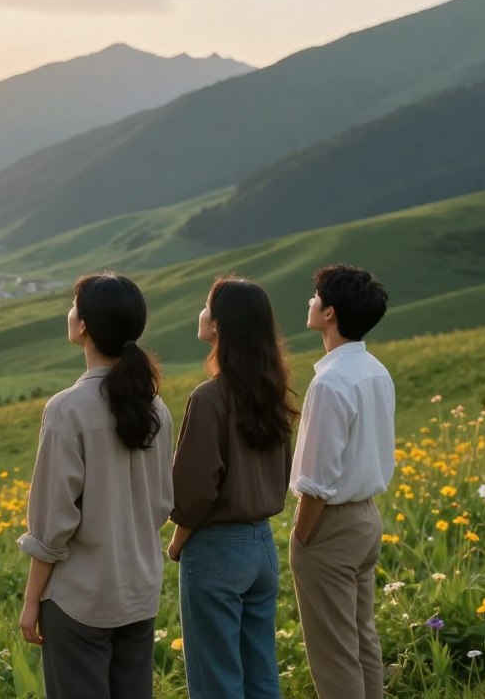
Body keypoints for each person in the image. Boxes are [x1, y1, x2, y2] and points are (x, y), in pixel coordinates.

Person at [17, 272, 175, 699]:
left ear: (83, 325)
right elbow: (162, 505)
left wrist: (32, 600)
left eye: (74, 306)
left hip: (79, 600)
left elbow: (51, 526)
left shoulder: (67, 410)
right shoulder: (156, 406)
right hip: (138, 593)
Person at [166, 277, 297, 698]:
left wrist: (176, 542)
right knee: (261, 673)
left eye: (207, 306)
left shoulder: (209, 398)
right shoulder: (273, 394)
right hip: (262, 546)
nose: (201, 313)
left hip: (215, 548)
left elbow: (195, 491)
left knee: (215, 680)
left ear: (220, 325)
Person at [289, 265, 394, 698]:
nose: (309, 303)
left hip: (329, 526)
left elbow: (316, 481)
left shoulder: (329, 383)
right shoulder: (375, 370)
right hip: (367, 517)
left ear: (329, 313)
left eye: (314, 297)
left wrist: (301, 536)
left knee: (333, 654)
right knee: (361, 638)